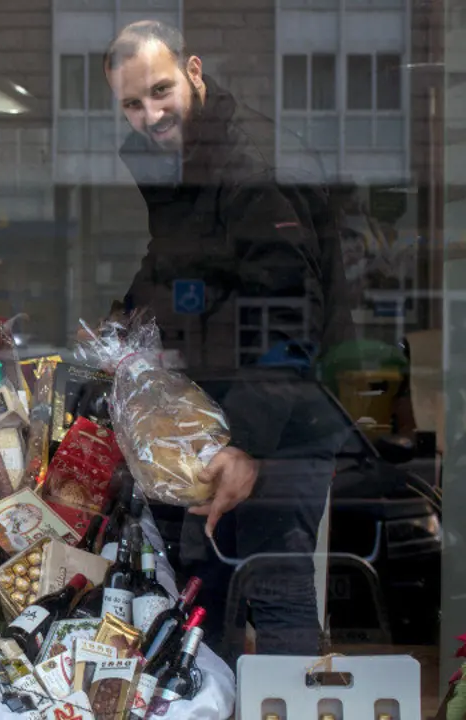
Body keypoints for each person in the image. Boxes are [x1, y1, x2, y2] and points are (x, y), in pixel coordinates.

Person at [100, 20, 355, 663]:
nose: (151, 115)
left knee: (274, 585)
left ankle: (291, 706)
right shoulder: (179, 158)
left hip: (289, 413)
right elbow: (174, 264)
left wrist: (247, 443)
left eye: (161, 91)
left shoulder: (254, 166)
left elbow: (289, 317)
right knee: (203, 586)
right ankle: (212, 702)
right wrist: (122, 332)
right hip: (221, 407)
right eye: (132, 103)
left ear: (193, 71)